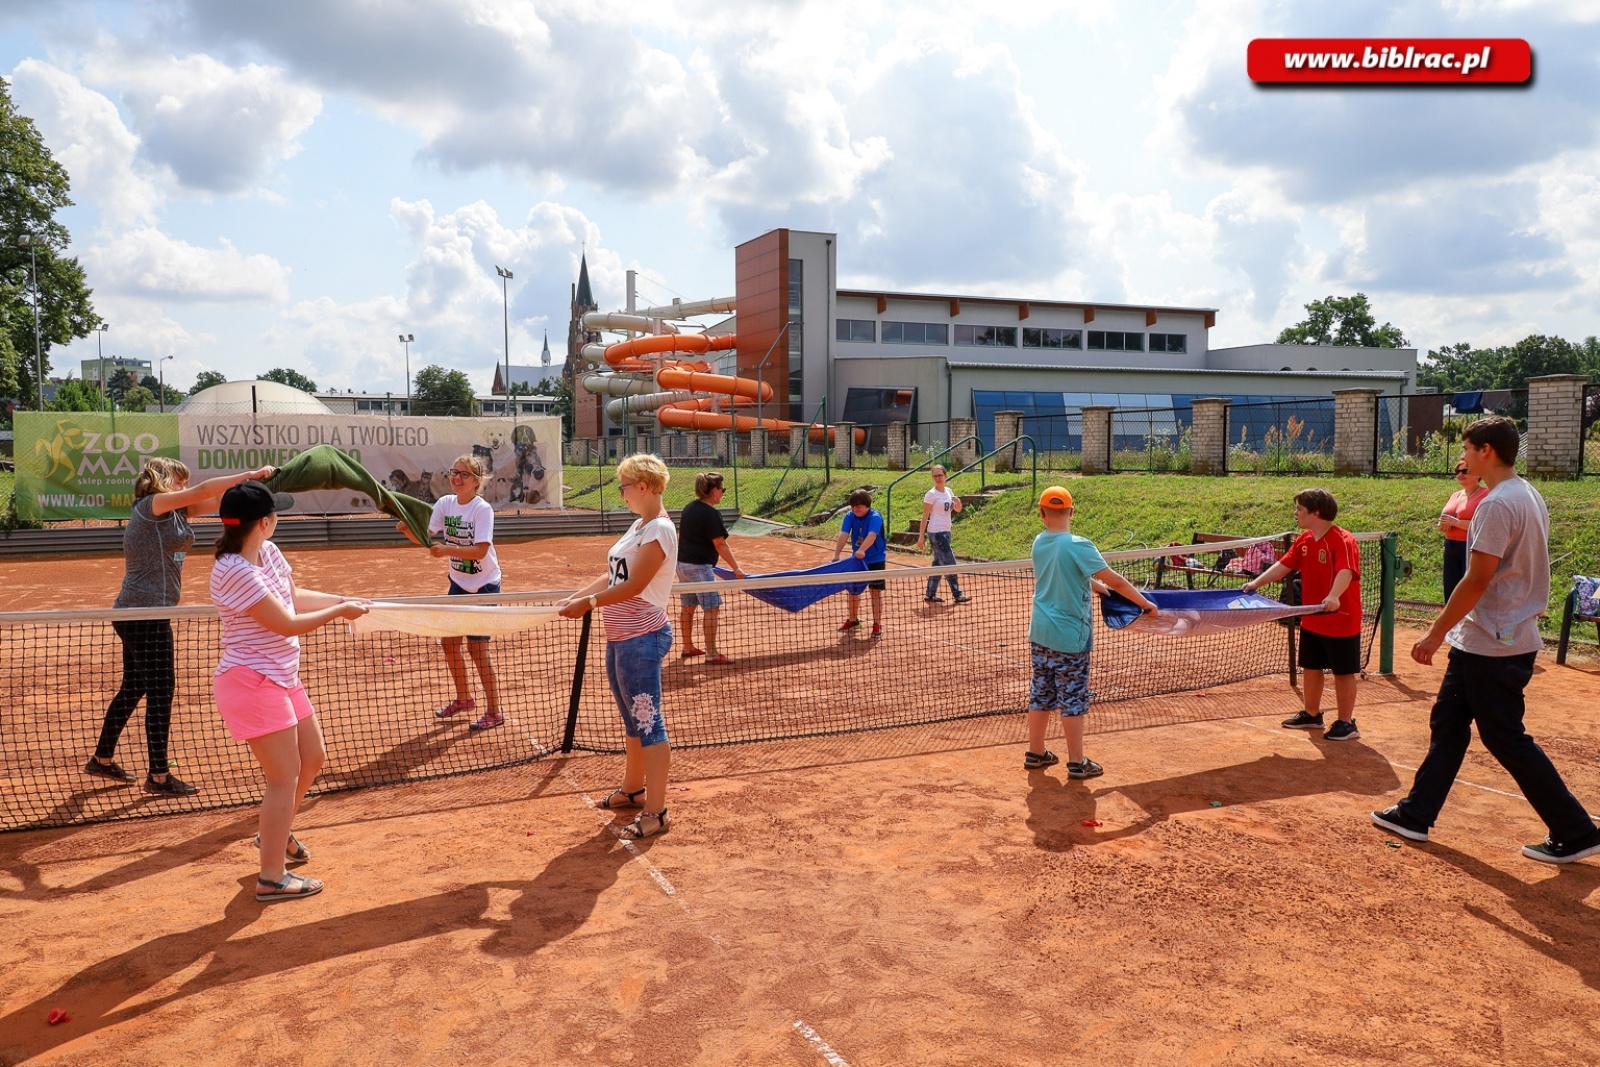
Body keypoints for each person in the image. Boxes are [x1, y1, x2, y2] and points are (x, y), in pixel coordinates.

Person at [1373, 416, 1600, 864]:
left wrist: (1435, 633)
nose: (1465, 457)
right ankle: (1416, 813)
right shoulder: (1527, 493)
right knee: (1449, 722)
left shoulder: (1497, 504)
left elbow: (1476, 579)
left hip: (1495, 641)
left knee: (1505, 737)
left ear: (1487, 452)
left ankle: (1575, 830)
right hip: (1490, 637)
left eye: (1468, 448)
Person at [210, 481, 370, 901]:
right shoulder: (233, 570)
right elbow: (285, 623)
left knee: (312, 757)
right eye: (275, 513)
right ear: (264, 522)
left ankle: (273, 836)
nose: (278, 518)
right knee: (283, 778)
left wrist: (342, 598)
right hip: (251, 682)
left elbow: (294, 598)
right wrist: (341, 612)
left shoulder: (267, 552)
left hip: (281, 676)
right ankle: (271, 877)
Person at [86, 458, 277, 797]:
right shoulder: (150, 505)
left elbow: (218, 499)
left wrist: (258, 489)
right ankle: (158, 775)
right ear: (164, 478)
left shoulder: (176, 512)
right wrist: (249, 473)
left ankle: (101, 758)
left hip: (141, 612)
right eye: (179, 480)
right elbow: (203, 490)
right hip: (144, 614)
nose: (183, 487)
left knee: (135, 687)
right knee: (162, 691)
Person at [558, 454, 678, 839]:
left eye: (624, 486)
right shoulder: (638, 526)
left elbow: (634, 586)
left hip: (642, 639)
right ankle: (633, 790)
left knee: (648, 722)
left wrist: (588, 605)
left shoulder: (659, 530)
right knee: (633, 720)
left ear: (643, 487)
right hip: (621, 640)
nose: (622, 493)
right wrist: (575, 598)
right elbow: (613, 576)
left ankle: (657, 811)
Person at [1026, 485, 1156, 777]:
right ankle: (1076, 762)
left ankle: (1035, 753)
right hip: (1070, 637)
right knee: (1072, 697)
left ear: (1041, 513)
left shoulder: (1039, 542)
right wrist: (1146, 603)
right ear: (1072, 512)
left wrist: (1099, 589)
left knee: (1041, 692)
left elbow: (1068, 572)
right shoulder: (1079, 545)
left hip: (1040, 633)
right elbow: (1119, 581)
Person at [1242, 489, 1363, 741]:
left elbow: (1346, 571)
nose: (1295, 513)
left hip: (1340, 617)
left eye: (1299, 509)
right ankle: (1312, 714)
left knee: (1343, 671)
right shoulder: (1304, 540)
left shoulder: (1343, 540)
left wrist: (1333, 596)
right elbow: (1284, 565)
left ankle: (1346, 722)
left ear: (1316, 512)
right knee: (1311, 666)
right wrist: (1257, 583)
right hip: (1312, 617)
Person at [397, 454, 503, 731]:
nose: (456, 478)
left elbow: (480, 549)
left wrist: (448, 549)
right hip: (458, 583)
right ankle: (464, 699)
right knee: (450, 644)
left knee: (477, 649)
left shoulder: (482, 509)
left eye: (464, 474)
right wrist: (408, 530)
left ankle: (495, 711)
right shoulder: (444, 504)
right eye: (454, 472)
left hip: (484, 586)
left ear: (476, 481)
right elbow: (429, 537)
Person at [676, 471, 745, 664]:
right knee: (712, 607)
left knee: (688, 607)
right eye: (722, 490)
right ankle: (712, 653)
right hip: (699, 568)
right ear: (714, 491)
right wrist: (736, 568)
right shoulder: (711, 513)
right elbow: (720, 544)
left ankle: (688, 647)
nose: (723, 493)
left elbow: (681, 537)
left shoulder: (689, 508)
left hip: (682, 565)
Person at [832, 488, 887, 637]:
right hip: (857, 560)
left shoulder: (875, 516)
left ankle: (877, 624)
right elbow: (844, 534)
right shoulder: (850, 516)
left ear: (867, 505)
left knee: (875, 592)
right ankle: (853, 620)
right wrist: (836, 554)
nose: (856, 508)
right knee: (853, 591)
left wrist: (862, 549)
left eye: (859, 505)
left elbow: (872, 535)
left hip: (876, 559)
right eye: (853, 505)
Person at [917, 465, 971, 604]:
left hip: (946, 532)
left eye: (940, 475)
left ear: (945, 476)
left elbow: (957, 510)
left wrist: (958, 502)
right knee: (950, 563)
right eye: (935, 476)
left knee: (938, 564)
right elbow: (925, 516)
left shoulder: (948, 491)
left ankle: (930, 594)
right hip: (936, 532)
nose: (938, 478)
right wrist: (921, 537)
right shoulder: (931, 494)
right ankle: (958, 594)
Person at [1438, 462, 1488, 603]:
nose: (1460, 475)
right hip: (1451, 547)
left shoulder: (1485, 495)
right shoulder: (1455, 495)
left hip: (1470, 547)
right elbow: (1445, 519)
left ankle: (1468, 624)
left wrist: (1455, 523)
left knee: (1466, 592)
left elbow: (1482, 526)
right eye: (1457, 471)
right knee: (1450, 591)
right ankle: (1452, 624)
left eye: (1465, 471)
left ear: (1478, 474)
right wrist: (1442, 524)